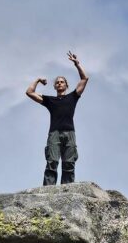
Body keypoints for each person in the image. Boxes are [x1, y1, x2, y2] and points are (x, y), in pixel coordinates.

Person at [26, 51, 89, 186]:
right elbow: (29, 92)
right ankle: (48, 191)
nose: (60, 84)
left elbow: (84, 79)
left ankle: (67, 190)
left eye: (62, 82)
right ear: (55, 86)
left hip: (70, 133)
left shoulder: (73, 97)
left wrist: (77, 64)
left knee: (69, 163)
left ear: (66, 85)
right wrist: (37, 80)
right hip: (54, 133)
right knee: (52, 162)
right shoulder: (50, 100)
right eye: (57, 82)